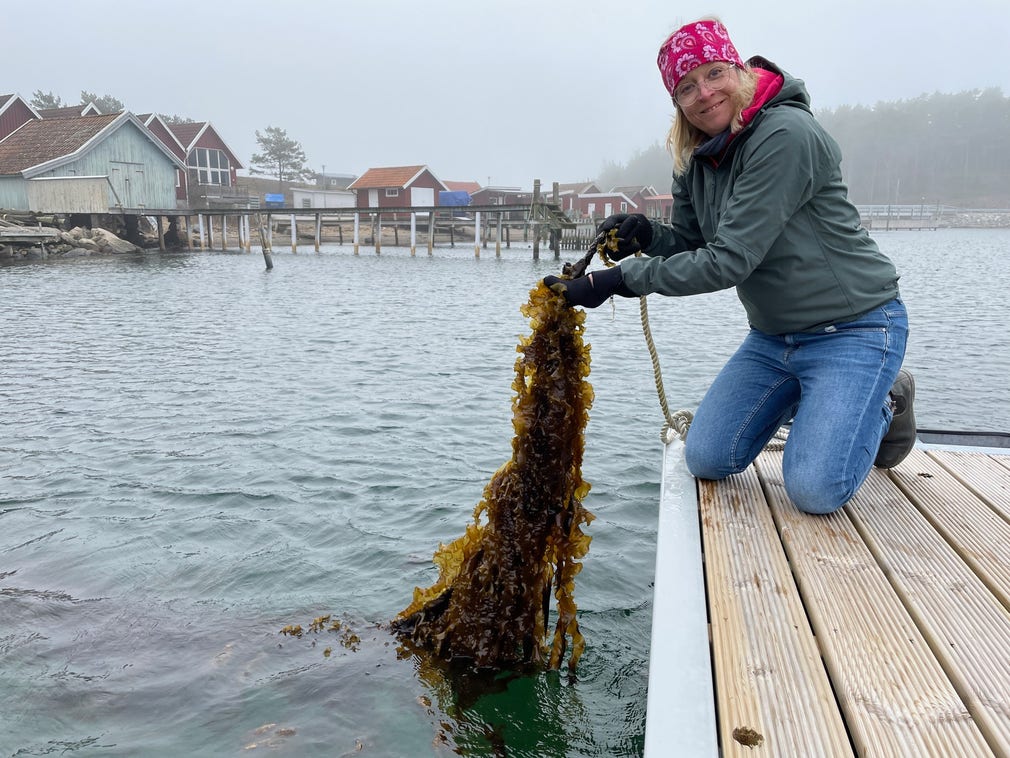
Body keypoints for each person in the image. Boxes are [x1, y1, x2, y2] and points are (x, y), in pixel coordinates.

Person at [544, 18, 915, 515]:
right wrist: (648, 235)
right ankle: (819, 400)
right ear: (677, 102)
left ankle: (887, 400)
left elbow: (728, 261)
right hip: (774, 337)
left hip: (855, 327)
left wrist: (618, 280)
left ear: (738, 70)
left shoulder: (785, 134)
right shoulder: (695, 156)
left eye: (714, 73)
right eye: (686, 87)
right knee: (707, 457)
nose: (705, 93)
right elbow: (693, 243)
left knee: (814, 490)